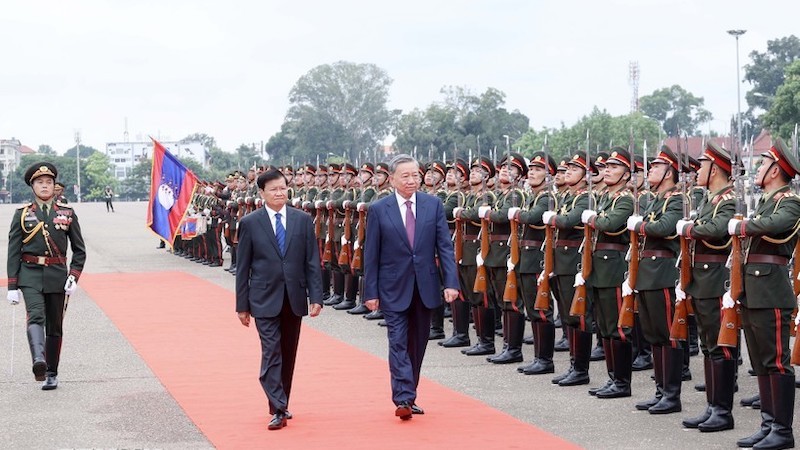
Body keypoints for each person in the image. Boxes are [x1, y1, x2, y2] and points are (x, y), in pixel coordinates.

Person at [363, 154, 459, 420]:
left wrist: (451, 282)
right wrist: (370, 292)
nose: (411, 180)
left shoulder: (433, 205)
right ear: (392, 179)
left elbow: (445, 248)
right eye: (405, 176)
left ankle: (409, 391)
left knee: (417, 343)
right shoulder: (379, 209)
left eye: (415, 175)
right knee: (398, 342)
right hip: (392, 286)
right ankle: (403, 396)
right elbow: (372, 254)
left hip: (425, 285)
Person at [235, 168, 323, 431]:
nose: (279, 193)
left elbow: (312, 262)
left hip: (294, 297)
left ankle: (280, 402)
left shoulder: (302, 220)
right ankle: (279, 407)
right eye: (273, 189)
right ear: (261, 193)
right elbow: (243, 267)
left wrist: (316, 296)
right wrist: (242, 305)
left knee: (288, 352)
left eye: (283, 188)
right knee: (271, 351)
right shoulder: (251, 222)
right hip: (263, 297)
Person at [727, 138, 800, 449]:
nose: (757, 169)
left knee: (776, 362)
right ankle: (768, 424)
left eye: (762, 163)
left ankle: (782, 431)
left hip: (771, 289)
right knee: (761, 361)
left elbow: (778, 224)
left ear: (775, 170)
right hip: (754, 289)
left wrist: (743, 227)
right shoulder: (767, 202)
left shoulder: (790, 202)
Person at [7, 162, 86, 390]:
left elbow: (79, 249)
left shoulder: (67, 214)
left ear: (54, 187)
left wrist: (74, 275)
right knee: (35, 316)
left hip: (57, 275)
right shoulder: (21, 215)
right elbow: (13, 251)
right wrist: (12, 285)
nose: (44, 186)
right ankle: (39, 360)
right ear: (32, 186)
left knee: (54, 326)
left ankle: (51, 372)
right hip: (29, 274)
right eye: (40, 182)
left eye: (48, 182)